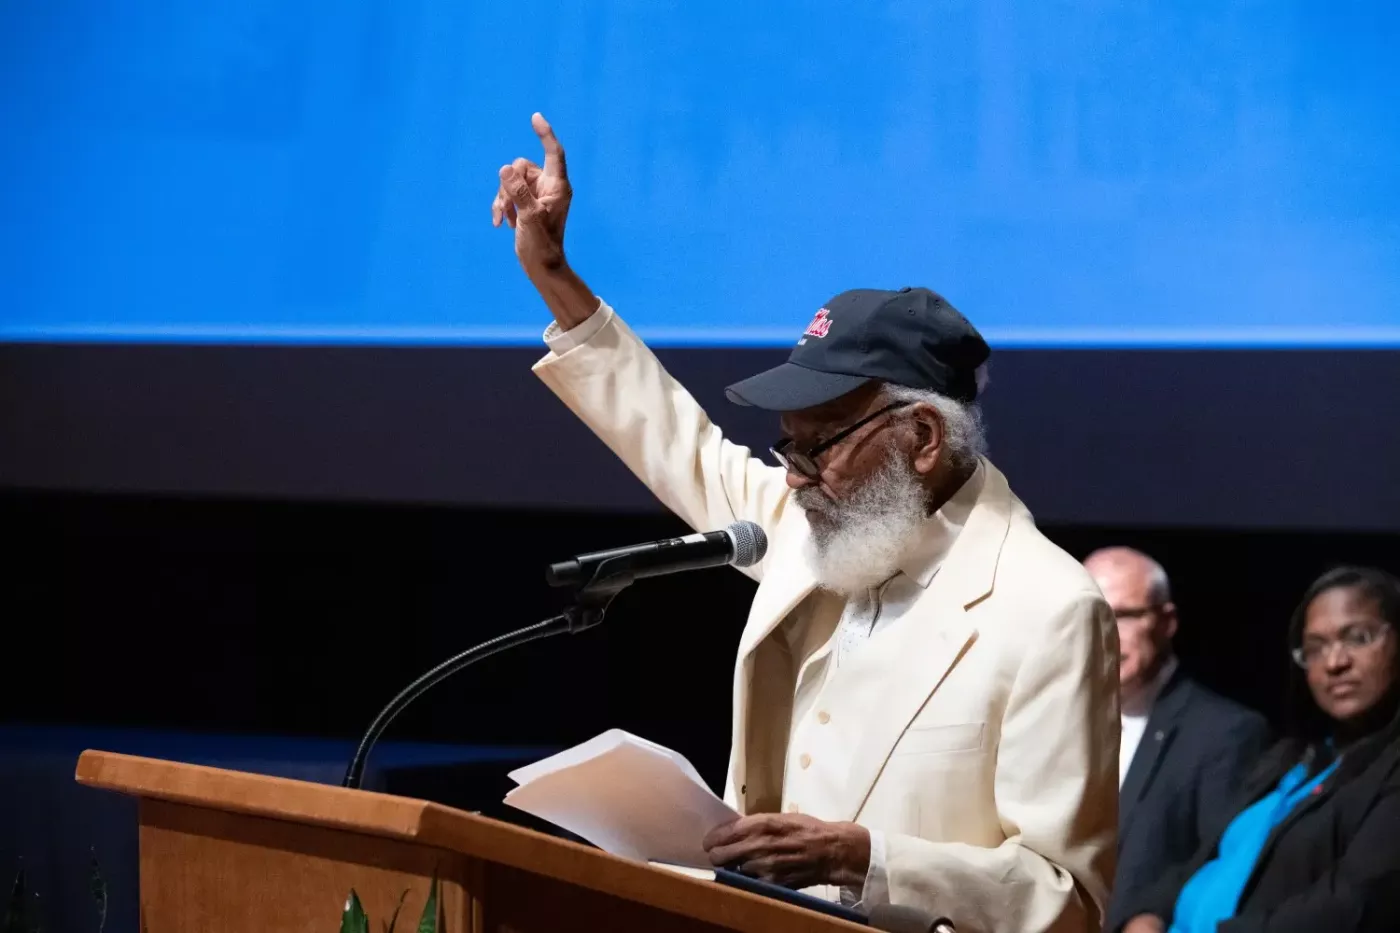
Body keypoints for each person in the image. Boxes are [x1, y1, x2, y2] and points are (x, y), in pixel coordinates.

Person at [491, 113, 1119, 932]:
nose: (792, 474)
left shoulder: (1049, 609)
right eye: (785, 445)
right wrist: (554, 276)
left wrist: (866, 860)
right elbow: (676, 442)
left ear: (922, 438)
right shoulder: (817, 520)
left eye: (818, 444)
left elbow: (1066, 897)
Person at [1116, 566, 1400, 933]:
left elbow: (1350, 905)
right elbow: (1206, 857)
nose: (1334, 663)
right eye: (1315, 648)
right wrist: (1148, 914)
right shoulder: (1292, 759)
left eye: (1358, 638)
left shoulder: (1388, 767)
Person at [1083, 548, 1272, 932]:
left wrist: (1151, 915)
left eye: (1123, 616)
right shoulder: (1055, 718)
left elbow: (1221, 861)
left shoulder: (1226, 732)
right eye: (1091, 614)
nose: (1105, 632)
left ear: (1166, 622)